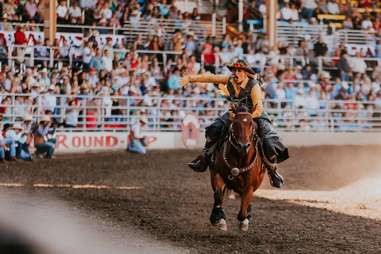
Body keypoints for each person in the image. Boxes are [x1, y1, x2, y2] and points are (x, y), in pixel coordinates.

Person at [180, 59, 289, 188]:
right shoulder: (230, 80)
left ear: (245, 73)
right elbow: (211, 77)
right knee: (213, 129)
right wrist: (190, 78)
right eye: (234, 70)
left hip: (255, 114)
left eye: (239, 71)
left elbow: (258, 108)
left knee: (269, 141)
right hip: (235, 114)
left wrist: (246, 117)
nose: (235, 73)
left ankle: (272, 170)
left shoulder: (254, 86)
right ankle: (205, 157)